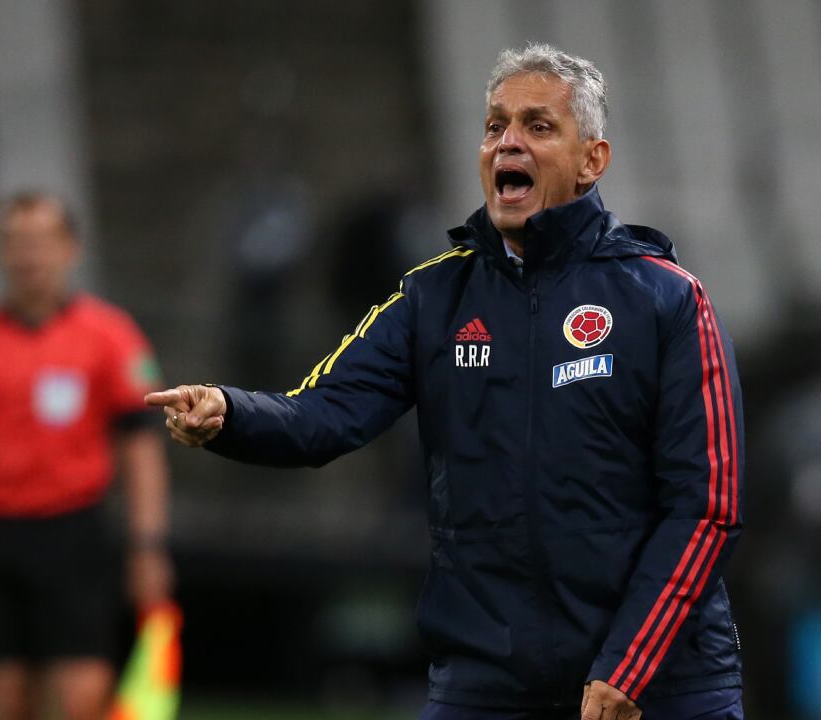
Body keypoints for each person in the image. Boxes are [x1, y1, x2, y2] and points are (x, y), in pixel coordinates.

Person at [148, 44, 744, 720]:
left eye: (537, 127)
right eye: (495, 127)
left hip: (657, 688)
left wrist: (629, 669)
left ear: (592, 161)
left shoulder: (665, 300)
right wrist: (230, 411)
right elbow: (324, 413)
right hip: (488, 685)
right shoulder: (434, 299)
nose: (507, 142)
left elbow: (706, 506)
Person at [0, 191, 173, 720]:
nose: (29, 256)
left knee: (82, 697)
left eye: (43, 241)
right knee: (8, 702)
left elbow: (141, 446)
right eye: (16, 242)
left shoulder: (110, 336)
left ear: (71, 248)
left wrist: (148, 544)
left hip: (75, 534)